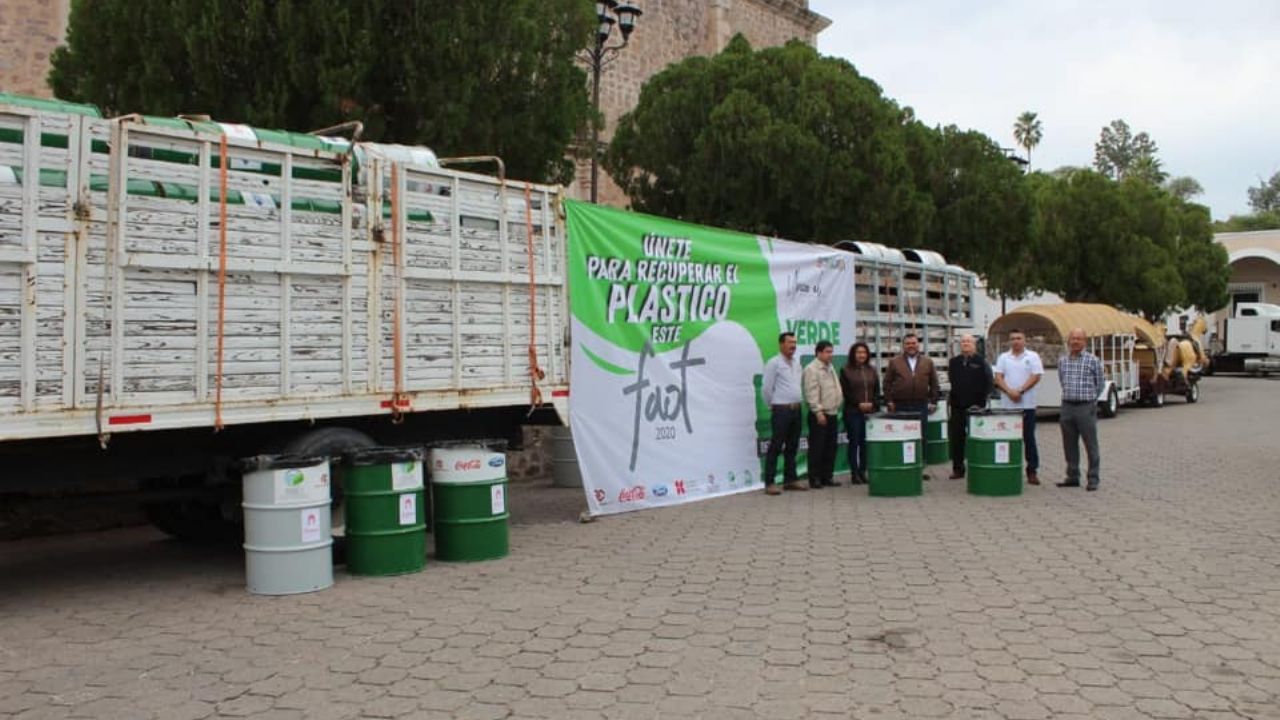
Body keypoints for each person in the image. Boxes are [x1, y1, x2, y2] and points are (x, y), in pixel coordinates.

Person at [884, 333, 940, 476]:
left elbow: (934, 383)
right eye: (908, 343)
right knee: (901, 436)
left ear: (918, 344)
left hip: (920, 405)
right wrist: (889, 400)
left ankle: (919, 468)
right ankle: (902, 468)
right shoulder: (894, 362)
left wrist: (933, 401)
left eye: (913, 343)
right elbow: (887, 383)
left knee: (920, 436)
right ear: (903, 346)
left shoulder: (927, 362)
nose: (911, 346)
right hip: (900, 405)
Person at [993, 328, 1044, 485]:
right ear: (1009, 341)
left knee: (1029, 439)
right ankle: (1008, 468)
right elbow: (998, 377)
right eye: (1013, 338)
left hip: (1027, 405)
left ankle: (1032, 471)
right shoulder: (1004, 357)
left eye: (1019, 338)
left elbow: (1036, 376)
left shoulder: (1032, 356)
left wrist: (1020, 391)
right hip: (1008, 406)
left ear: (1024, 340)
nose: (1016, 341)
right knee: (1008, 438)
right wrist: (1009, 392)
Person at [1058, 327, 1105, 491]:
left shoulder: (1093, 360)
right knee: (1069, 443)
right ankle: (1072, 476)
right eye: (1073, 339)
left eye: (1079, 339)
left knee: (1090, 443)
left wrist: (1092, 400)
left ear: (1085, 342)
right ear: (1068, 341)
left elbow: (1100, 383)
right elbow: (1062, 380)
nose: (1075, 342)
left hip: (1085, 406)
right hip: (1067, 406)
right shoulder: (1063, 361)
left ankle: (1093, 478)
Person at [761, 332, 806, 495]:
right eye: (789, 342)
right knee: (776, 446)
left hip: (796, 409)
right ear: (781, 344)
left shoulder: (796, 363)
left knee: (792, 446)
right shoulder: (774, 363)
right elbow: (766, 388)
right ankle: (770, 482)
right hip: (781, 409)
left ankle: (790, 480)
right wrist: (771, 405)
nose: (793, 345)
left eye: (795, 342)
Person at [946, 334, 993, 479]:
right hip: (957, 406)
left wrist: (981, 402)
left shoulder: (981, 362)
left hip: (976, 407)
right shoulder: (954, 362)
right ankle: (958, 469)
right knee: (957, 438)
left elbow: (989, 382)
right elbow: (952, 381)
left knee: (976, 437)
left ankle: (977, 465)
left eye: (969, 342)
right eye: (963, 342)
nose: (966, 344)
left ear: (974, 345)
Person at [803, 340, 843, 489]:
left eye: (831, 351)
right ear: (818, 353)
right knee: (817, 447)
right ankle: (815, 478)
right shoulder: (812, 369)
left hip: (832, 412)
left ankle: (827, 476)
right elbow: (811, 392)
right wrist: (818, 411)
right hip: (819, 414)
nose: (830, 355)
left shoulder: (830, 367)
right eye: (827, 352)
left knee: (830, 447)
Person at [839, 342, 879, 485]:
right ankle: (854, 473)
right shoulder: (845, 370)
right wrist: (858, 404)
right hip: (853, 412)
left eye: (864, 352)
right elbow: (845, 392)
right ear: (853, 354)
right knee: (854, 443)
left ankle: (863, 471)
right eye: (858, 352)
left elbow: (876, 390)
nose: (861, 355)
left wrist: (873, 404)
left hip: (870, 413)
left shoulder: (872, 370)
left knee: (865, 444)